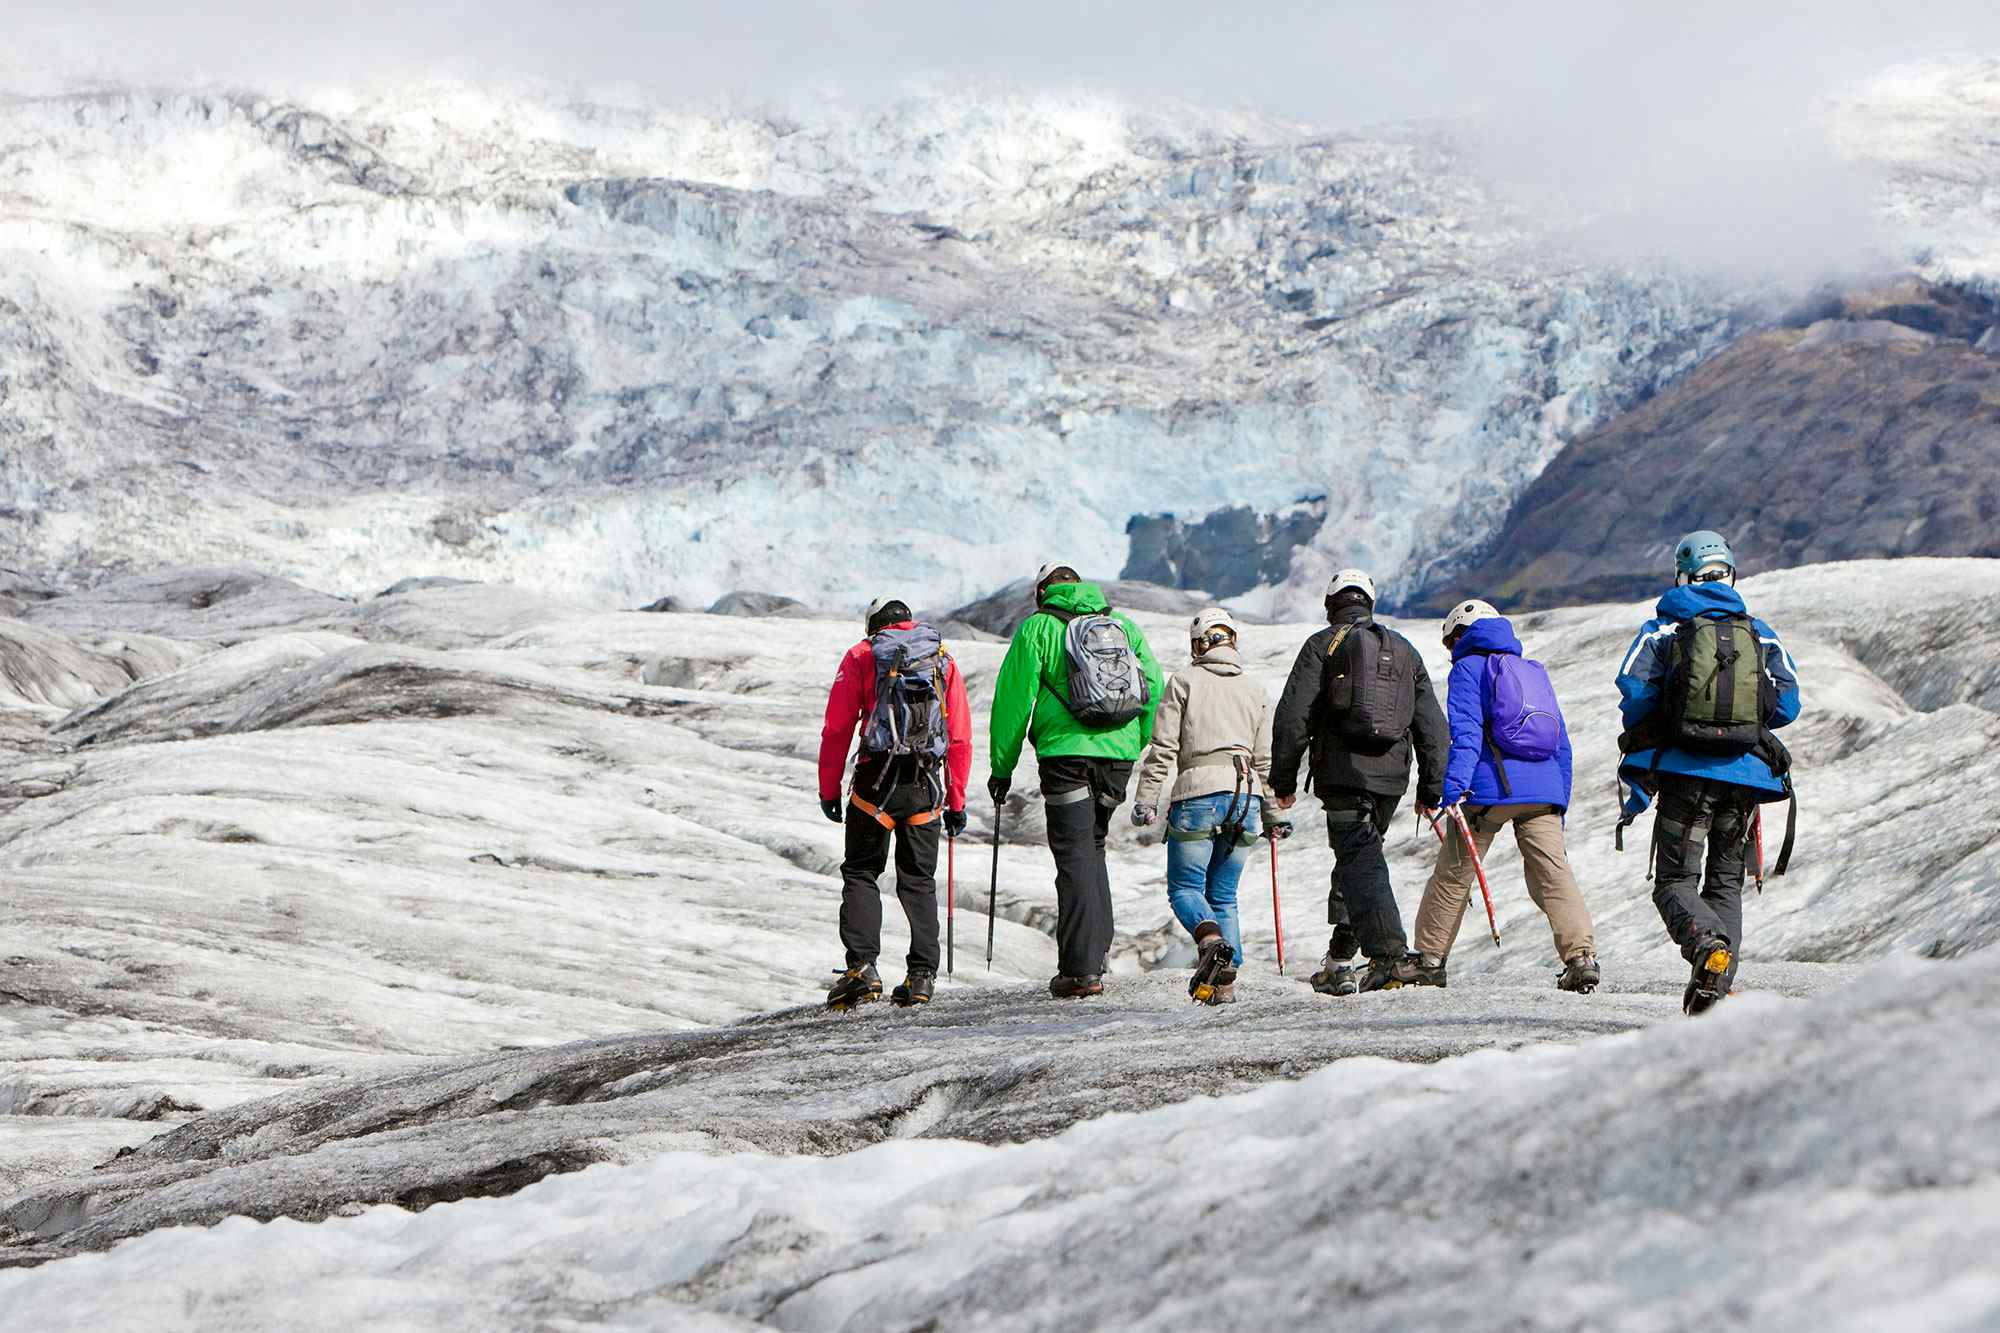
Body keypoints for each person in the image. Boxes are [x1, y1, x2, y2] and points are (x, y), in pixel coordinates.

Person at [1615, 530, 1801, 1015]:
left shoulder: (1662, 629)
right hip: (1744, 777)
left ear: (1682, 575)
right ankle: (1716, 992)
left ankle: (1705, 947)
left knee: (1675, 880)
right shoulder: (1757, 631)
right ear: (1731, 574)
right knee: (1724, 882)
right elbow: (1788, 704)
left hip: (1685, 772)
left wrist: (1673, 720)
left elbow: (1634, 694)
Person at [989, 563, 1164, 999]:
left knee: (1074, 855)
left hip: (1066, 755)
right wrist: (1134, 743)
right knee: (1093, 846)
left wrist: (1002, 767)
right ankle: (1095, 954)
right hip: (1117, 754)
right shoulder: (1121, 624)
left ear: (1042, 593)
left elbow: (1013, 700)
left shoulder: (1039, 628)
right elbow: (1154, 687)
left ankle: (1081, 969)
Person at [1271, 569, 1448, 994]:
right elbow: (1432, 726)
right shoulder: (1404, 650)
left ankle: (1389, 956)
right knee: (1357, 860)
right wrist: (1431, 787)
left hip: (1344, 772)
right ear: (1370, 603)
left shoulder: (1323, 644)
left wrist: (1282, 778)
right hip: (1390, 780)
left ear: (1331, 605)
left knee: (1359, 860)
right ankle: (1339, 962)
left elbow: (1295, 714)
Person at [1410, 598, 1598, 991]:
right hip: (1543, 791)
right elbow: (1561, 743)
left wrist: (1452, 790)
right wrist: (1558, 801)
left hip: (1489, 792)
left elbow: (1465, 736)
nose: (1450, 653)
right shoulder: (1533, 670)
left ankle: (1429, 959)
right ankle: (1581, 958)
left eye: (1449, 644)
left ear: (1459, 635)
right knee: (1554, 874)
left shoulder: (1467, 669)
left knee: (1452, 875)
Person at [818, 596, 973, 1010]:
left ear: (874, 626)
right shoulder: (941, 658)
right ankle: (921, 976)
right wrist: (956, 800)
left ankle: (862, 971)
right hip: (925, 783)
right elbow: (958, 736)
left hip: (875, 783)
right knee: (918, 880)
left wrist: (828, 789)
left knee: (862, 872)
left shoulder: (861, 655)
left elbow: (836, 729)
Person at [1132, 608, 1274, 1006]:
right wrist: (1275, 816)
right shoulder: (1255, 689)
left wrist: (1146, 799)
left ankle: (1211, 942)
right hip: (1246, 797)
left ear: (1198, 644)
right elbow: (1264, 762)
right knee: (1224, 895)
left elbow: (1164, 749)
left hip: (1198, 793)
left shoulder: (1184, 681)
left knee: (1185, 889)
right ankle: (1225, 985)